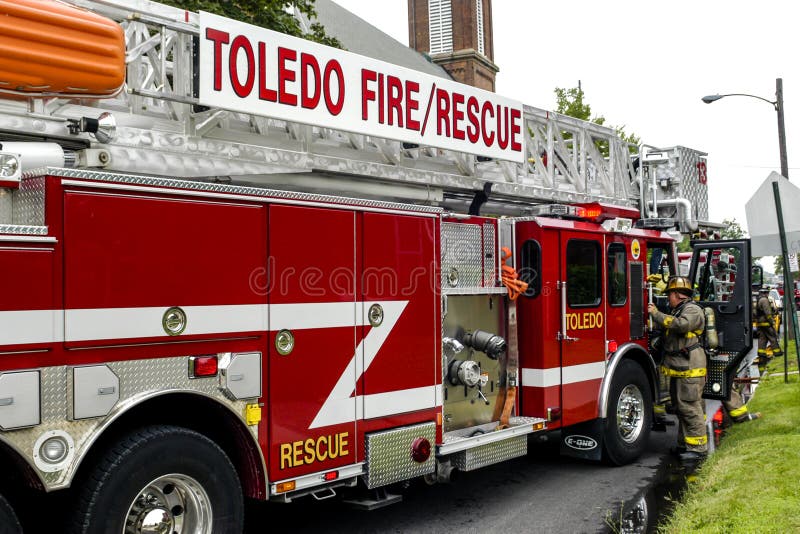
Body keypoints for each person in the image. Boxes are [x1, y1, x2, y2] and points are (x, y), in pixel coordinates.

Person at [648, 276, 708, 463]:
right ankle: (685, 444)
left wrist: (656, 314)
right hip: (680, 367)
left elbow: (681, 325)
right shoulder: (678, 309)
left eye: (669, 295)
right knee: (681, 407)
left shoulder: (692, 310)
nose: (668, 299)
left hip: (690, 367)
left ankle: (698, 449)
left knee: (690, 407)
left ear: (677, 294)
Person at [755, 287, 783, 369]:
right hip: (766, 323)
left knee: (762, 339)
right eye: (767, 292)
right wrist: (772, 321)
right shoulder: (764, 300)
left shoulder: (758, 300)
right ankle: (777, 353)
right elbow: (768, 313)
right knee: (772, 337)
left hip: (760, 323)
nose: (768, 294)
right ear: (765, 293)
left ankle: (762, 356)